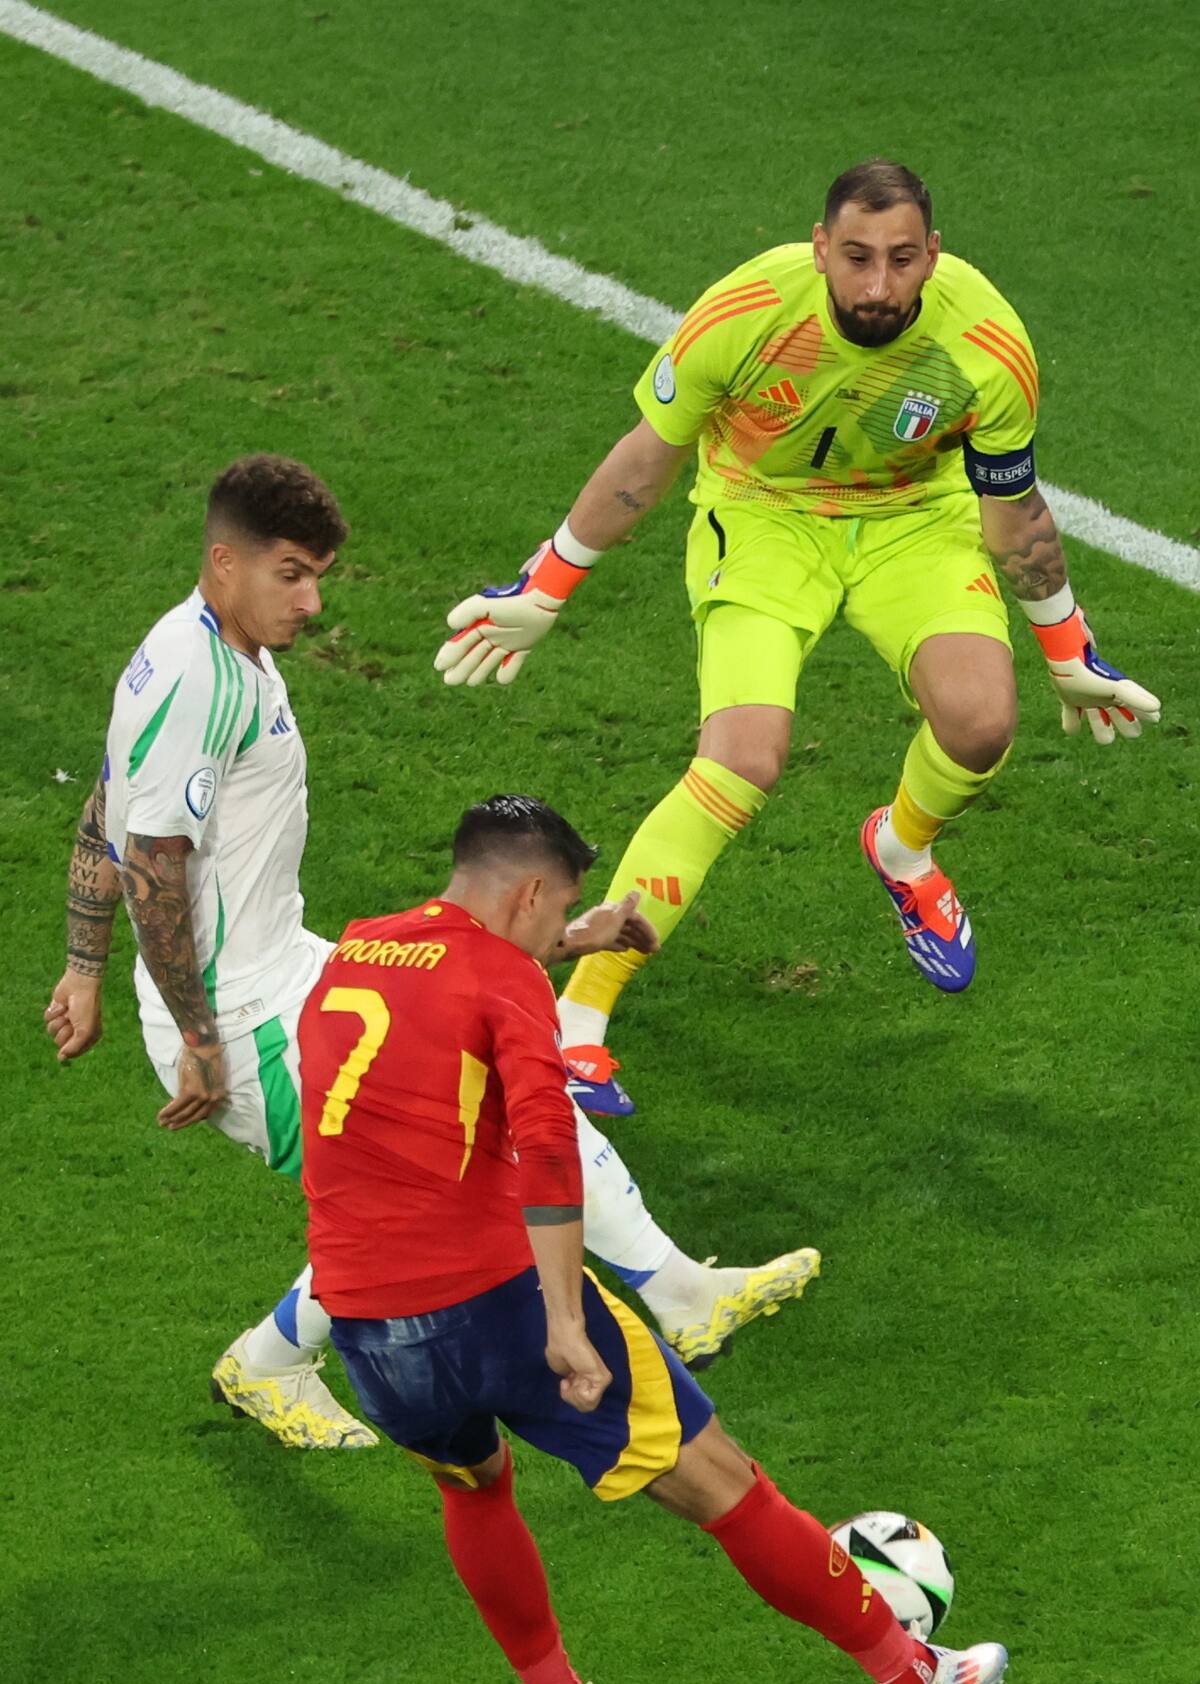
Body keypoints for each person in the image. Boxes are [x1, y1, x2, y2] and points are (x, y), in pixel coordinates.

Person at [44, 457, 817, 1453]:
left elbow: (106, 802)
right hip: (245, 1024)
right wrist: (193, 1033)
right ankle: (281, 1359)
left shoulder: (202, 651)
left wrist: (82, 966)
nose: (313, 600)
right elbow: (147, 854)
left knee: (468, 1126)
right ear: (224, 561)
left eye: (318, 574)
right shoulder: (197, 679)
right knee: (448, 1185)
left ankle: (679, 1293)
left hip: (291, 973)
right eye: (291, 574)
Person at [435, 160, 1160, 1117]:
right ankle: (583, 1014)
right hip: (766, 517)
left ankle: (902, 850)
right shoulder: (747, 312)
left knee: (982, 725)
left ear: (931, 255)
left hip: (915, 521)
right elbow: (649, 457)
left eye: (902, 260)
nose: (876, 284)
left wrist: (1066, 651)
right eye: (856, 257)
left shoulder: (986, 342)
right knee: (744, 757)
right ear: (820, 248)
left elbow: (1010, 507)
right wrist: (552, 580)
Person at [299, 794, 1007, 1684]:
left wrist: (562, 942)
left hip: (368, 1327)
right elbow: (548, 1155)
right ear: (532, 891)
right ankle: (914, 1680)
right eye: (561, 915)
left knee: (473, 1489)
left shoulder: (358, 952)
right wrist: (560, 1319)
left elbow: (452, 984)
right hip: (495, 1302)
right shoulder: (500, 974)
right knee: (726, 1483)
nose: (561, 934)